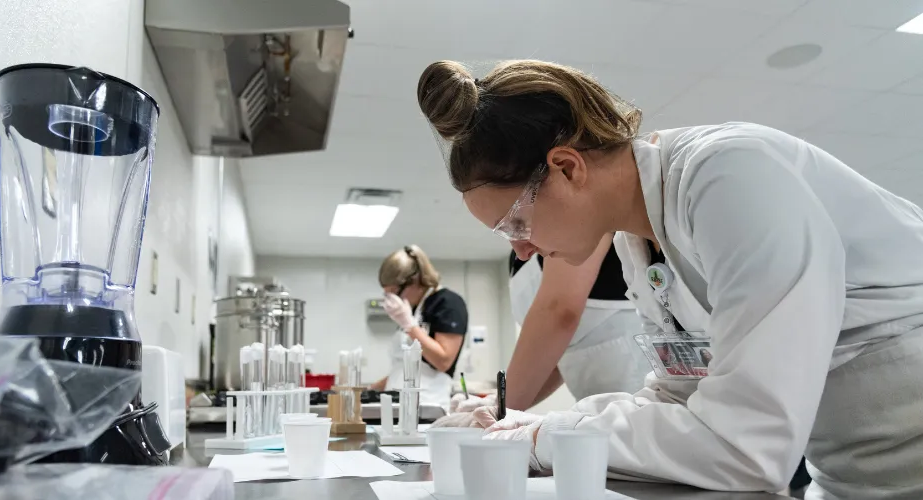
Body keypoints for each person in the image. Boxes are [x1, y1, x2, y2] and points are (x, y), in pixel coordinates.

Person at [415, 59, 923, 499]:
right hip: (849, 475)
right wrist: (541, 425)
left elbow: (747, 444)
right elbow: (681, 394)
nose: (521, 249)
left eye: (515, 224)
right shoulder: (637, 240)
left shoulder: (731, 177)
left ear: (567, 168)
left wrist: (541, 441)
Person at [437, 235, 653, 426]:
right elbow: (552, 357)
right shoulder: (527, 254)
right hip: (597, 410)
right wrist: (498, 401)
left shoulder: (575, 226)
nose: (520, 248)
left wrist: (501, 409)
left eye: (514, 222)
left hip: (635, 399)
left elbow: (559, 312)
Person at [370, 245, 469, 411]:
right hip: (396, 405)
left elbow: (443, 361)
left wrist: (410, 326)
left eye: (395, 293)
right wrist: (370, 390)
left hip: (427, 406)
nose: (394, 300)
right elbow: (404, 369)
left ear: (415, 280)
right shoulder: (413, 310)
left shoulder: (448, 303)